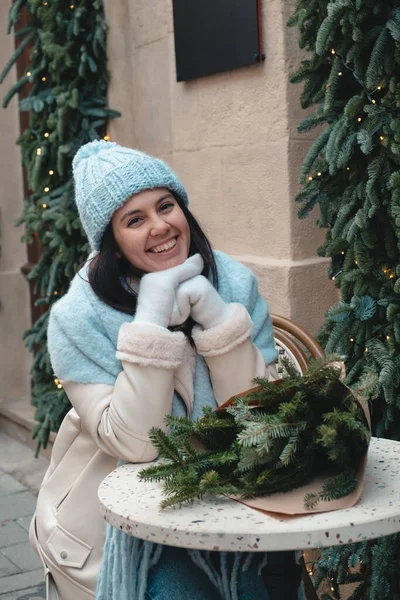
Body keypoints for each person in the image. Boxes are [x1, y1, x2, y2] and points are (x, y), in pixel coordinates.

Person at [29, 140, 303, 600]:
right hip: (130, 519)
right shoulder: (77, 317)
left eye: (166, 206)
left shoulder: (233, 282)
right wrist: (151, 321)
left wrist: (218, 323)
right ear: (111, 241)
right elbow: (135, 444)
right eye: (134, 220)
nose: (160, 227)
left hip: (239, 495)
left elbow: (259, 422)